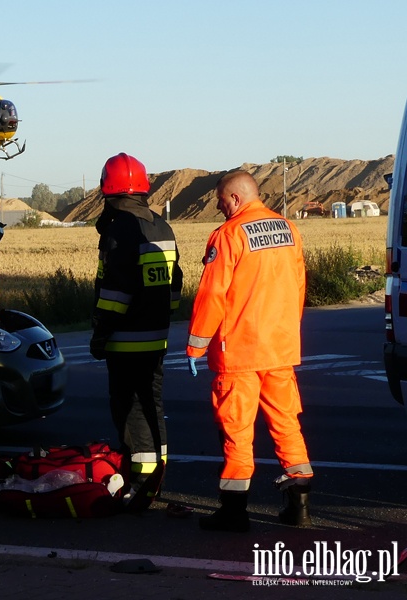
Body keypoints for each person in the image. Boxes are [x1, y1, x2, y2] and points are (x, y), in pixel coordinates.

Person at [187, 170, 313, 532]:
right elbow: (298, 285)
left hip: (240, 353)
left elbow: (212, 295)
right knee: (287, 425)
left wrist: (195, 346)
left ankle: (233, 512)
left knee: (237, 433)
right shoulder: (288, 229)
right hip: (280, 349)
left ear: (236, 199)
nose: (218, 208)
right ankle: (300, 508)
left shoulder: (228, 235)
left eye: (221, 201)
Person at [89, 153, 182, 510]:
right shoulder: (161, 226)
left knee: (129, 411)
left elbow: (114, 290)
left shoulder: (120, 229)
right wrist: (160, 316)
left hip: (125, 339)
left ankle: (141, 483)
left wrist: (101, 334)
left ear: (108, 190)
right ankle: (156, 475)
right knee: (153, 405)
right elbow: (175, 282)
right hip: (156, 336)